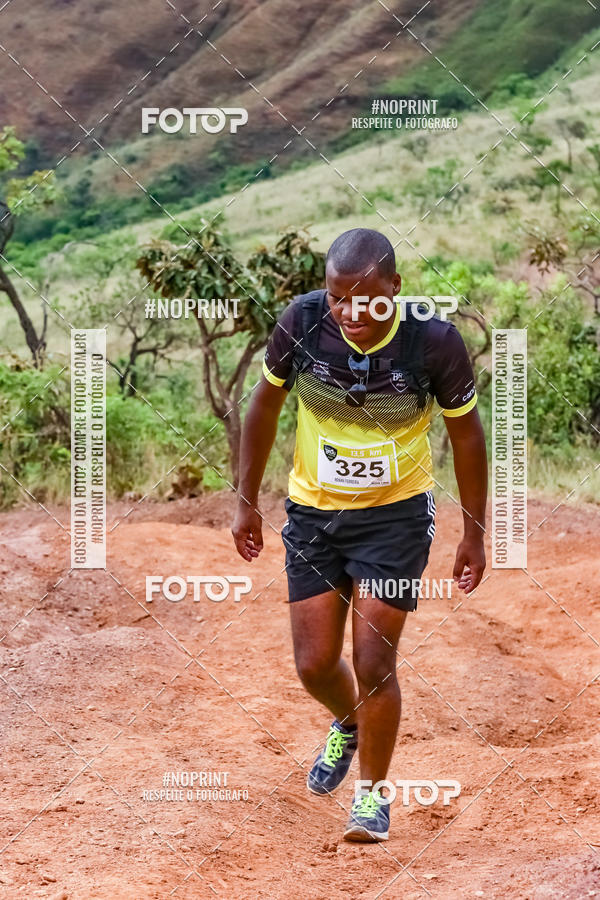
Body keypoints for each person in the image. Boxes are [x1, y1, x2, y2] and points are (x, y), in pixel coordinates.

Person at [231, 227, 487, 842]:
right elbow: (263, 407)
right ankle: (345, 723)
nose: (351, 313)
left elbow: (468, 435)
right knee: (315, 664)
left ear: (394, 290)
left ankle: (373, 798)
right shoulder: (303, 322)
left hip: (394, 518)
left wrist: (474, 534)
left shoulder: (433, 341)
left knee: (373, 661)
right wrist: (245, 501)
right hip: (315, 516)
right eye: (338, 297)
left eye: (366, 299)